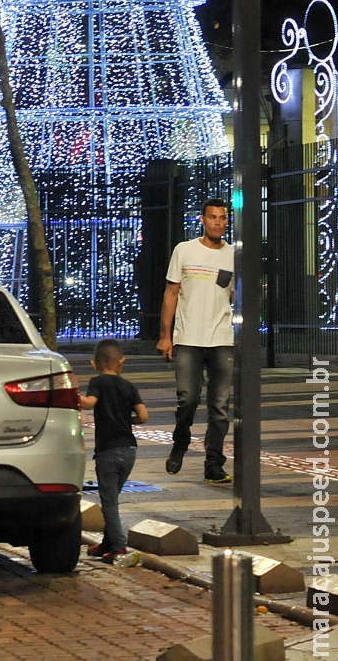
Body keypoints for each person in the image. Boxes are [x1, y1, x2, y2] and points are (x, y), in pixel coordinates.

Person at [160, 197, 234, 484]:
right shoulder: (185, 250)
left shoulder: (233, 255)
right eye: (213, 217)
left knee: (220, 406)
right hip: (188, 337)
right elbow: (171, 293)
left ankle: (213, 463)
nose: (218, 222)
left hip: (221, 338)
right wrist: (165, 336)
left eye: (223, 217)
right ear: (202, 220)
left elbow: (238, 295)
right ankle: (180, 443)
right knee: (188, 398)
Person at [80, 338, 148, 563]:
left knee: (109, 501)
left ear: (94, 364)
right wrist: (126, 420)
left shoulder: (97, 382)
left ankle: (118, 546)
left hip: (108, 450)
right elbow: (143, 416)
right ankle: (107, 543)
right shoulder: (129, 386)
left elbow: (89, 403)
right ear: (122, 362)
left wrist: (70, 395)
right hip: (129, 450)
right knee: (112, 498)